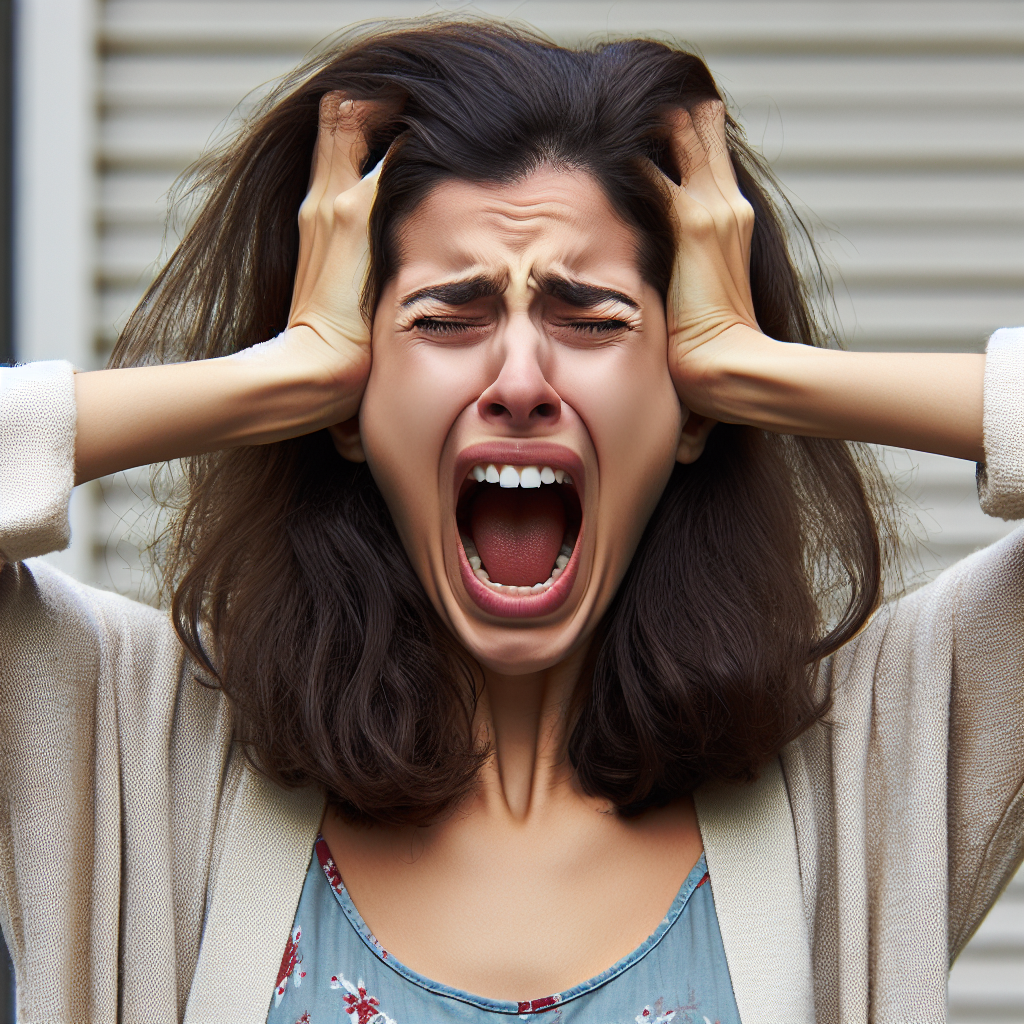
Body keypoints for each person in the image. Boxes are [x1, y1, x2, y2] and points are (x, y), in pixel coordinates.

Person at [0, 18, 1020, 1024]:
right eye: (446, 317)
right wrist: (288, 368)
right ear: (346, 412)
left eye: (592, 317)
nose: (522, 380)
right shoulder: (128, 736)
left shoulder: (868, 751)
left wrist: (746, 365)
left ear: (691, 410)